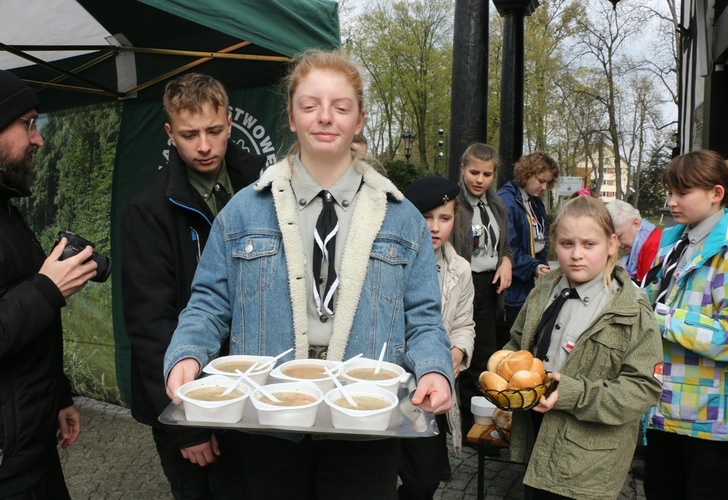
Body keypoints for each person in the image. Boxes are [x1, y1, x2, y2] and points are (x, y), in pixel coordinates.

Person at [163, 49, 453, 498]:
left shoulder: (403, 218)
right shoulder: (242, 212)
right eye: (310, 105)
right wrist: (186, 354)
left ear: (358, 120)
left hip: (365, 422)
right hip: (270, 420)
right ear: (292, 117)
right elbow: (207, 304)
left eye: (341, 107)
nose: (325, 117)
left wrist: (434, 369)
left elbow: (424, 318)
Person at [120, 73, 266, 499]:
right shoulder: (147, 211)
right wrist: (186, 426)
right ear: (170, 133)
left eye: (214, 131)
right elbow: (150, 327)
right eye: (189, 134)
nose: (204, 146)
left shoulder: (267, 185)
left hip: (256, 389)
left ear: (229, 125)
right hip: (188, 398)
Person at [504, 194, 663, 499]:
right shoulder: (545, 290)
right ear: (554, 245)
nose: (577, 254)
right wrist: (509, 368)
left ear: (612, 245)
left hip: (590, 464)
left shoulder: (630, 310)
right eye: (567, 244)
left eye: (589, 244)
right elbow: (518, 341)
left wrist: (573, 394)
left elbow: (643, 389)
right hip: (538, 442)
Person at [0, 69, 97, 497]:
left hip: (33, 444)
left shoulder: (7, 211)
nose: (37, 139)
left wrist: (57, 395)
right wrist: (45, 288)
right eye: (27, 123)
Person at [643, 150, 728, 499]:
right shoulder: (674, 241)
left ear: (716, 193)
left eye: (682, 193)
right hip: (664, 410)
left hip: (711, 426)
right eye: (669, 192)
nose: (672, 202)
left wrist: (659, 316)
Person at [400, 175, 475, 497]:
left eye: (444, 218)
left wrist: (457, 351)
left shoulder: (460, 269)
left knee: (425, 478)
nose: (434, 227)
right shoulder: (393, 259)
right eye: (425, 217)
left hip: (427, 388)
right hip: (391, 379)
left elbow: (463, 323)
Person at [450, 143, 512, 437]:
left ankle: (479, 420)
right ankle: (458, 420)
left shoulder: (496, 204)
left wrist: (507, 261)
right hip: (463, 285)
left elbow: (505, 244)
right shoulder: (454, 204)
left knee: (485, 356)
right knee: (458, 353)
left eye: (487, 174)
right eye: (474, 172)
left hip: (489, 287)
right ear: (463, 169)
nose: (480, 179)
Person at [497, 151, 558, 348]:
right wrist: (534, 267)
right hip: (513, 293)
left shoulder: (535, 201)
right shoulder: (506, 200)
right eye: (541, 181)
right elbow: (507, 248)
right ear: (527, 173)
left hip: (530, 287)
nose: (544, 187)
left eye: (548, 183)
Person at [606, 199, 663, 284]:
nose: (617, 244)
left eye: (619, 236)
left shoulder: (652, 247)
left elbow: (646, 290)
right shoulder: (648, 241)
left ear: (636, 224)